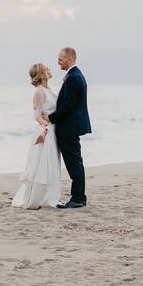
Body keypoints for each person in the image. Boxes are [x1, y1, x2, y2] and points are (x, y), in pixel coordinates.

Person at [12, 63, 62, 209]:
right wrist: (45, 128)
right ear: (41, 75)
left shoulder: (48, 89)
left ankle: (50, 196)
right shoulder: (39, 92)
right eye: (46, 69)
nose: (49, 70)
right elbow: (37, 115)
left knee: (52, 164)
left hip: (53, 130)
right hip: (45, 132)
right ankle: (37, 198)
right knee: (42, 164)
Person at [49, 47, 92, 209]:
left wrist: (51, 118)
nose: (58, 62)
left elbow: (68, 105)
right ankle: (79, 197)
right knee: (76, 162)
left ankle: (77, 198)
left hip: (69, 127)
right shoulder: (75, 75)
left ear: (70, 59)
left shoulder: (74, 77)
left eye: (61, 59)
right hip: (71, 126)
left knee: (74, 164)